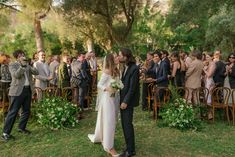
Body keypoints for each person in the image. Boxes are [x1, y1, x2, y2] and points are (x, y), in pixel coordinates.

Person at [1, 50, 39, 141]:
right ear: (17, 57)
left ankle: (21, 128)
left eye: (24, 54)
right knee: (13, 112)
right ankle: (5, 133)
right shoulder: (12, 65)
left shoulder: (27, 64)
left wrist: (30, 64)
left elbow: (36, 72)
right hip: (17, 92)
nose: (23, 56)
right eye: (21, 55)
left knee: (26, 111)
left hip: (27, 90)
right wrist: (22, 66)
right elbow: (16, 75)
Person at [88, 53, 120, 157]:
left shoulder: (116, 70)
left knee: (112, 121)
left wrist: (118, 86)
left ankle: (105, 138)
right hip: (107, 100)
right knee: (109, 122)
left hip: (115, 98)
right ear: (111, 60)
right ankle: (109, 147)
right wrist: (107, 88)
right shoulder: (106, 71)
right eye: (115, 57)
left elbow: (118, 83)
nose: (117, 58)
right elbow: (99, 84)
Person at [119, 48, 139, 157]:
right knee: (124, 124)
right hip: (123, 99)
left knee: (127, 125)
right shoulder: (125, 67)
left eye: (120, 55)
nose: (119, 57)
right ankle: (128, 146)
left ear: (126, 56)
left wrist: (125, 101)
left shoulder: (134, 68)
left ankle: (131, 151)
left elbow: (132, 88)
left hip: (128, 102)